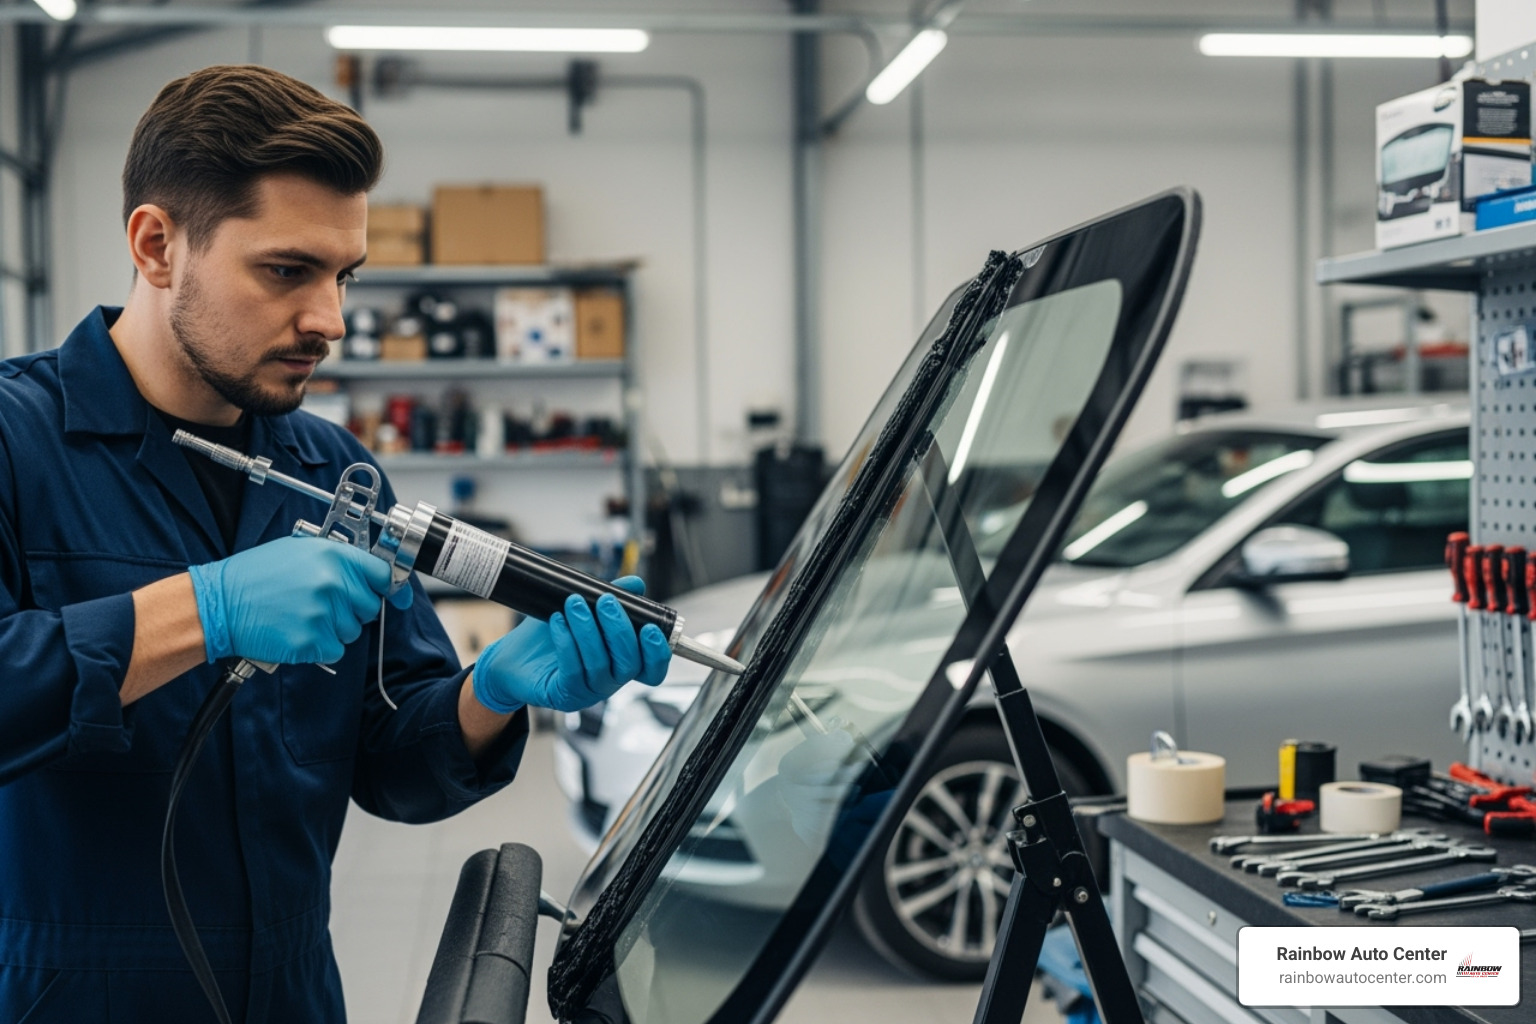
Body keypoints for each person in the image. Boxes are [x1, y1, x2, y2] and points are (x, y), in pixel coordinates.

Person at [0, 64, 670, 1022]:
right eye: (286, 271)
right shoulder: (15, 443)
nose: (331, 320)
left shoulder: (334, 474)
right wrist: (207, 608)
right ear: (156, 245)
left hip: (293, 996)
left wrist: (493, 692)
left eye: (344, 276)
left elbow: (390, 765)